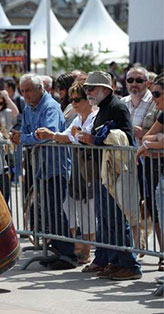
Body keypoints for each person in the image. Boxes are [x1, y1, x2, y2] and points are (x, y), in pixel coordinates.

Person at [76, 71, 142, 280]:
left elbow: (125, 140)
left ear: (105, 89)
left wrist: (93, 140)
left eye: (91, 88)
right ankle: (113, 260)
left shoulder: (116, 107)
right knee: (105, 220)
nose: (88, 92)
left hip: (117, 173)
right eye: (86, 88)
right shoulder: (103, 108)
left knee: (116, 220)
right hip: (105, 173)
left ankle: (129, 265)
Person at [10, 73, 77, 270]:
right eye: (22, 91)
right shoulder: (29, 108)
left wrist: (23, 138)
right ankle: (57, 250)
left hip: (56, 166)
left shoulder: (50, 106)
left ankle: (68, 254)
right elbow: (27, 131)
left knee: (55, 210)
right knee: (47, 211)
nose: (25, 95)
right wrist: (20, 136)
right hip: (40, 167)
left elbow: (47, 134)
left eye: (29, 90)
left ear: (41, 89)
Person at [36, 80, 97, 265]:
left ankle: (89, 252)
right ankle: (82, 250)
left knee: (90, 210)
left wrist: (60, 136)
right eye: (72, 100)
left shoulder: (95, 117)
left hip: (93, 168)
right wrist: (50, 135)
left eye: (77, 99)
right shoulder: (78, 119)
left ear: (88, 99)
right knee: (76, 208)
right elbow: (66, 136)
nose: (74, 103)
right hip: (79, 168)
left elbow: (82, 138)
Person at [135, 73, 164, 271]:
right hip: (159, 173)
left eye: (157, 93)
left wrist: (156, 141)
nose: (153, 98)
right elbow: (147, 137)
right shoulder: (162, 114)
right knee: (159, 215)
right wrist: (157, 140)